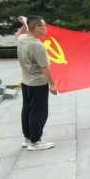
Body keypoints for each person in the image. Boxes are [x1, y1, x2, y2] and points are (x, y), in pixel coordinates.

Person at [17, 16, 57, 151]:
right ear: (36, 28)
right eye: (43, 26)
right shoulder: (37, 45)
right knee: (39, 112)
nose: (46, 28)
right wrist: (52, 84)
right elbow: (44, 67)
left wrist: (24, 23)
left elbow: (20, 33)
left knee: (27, 110)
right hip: (38, 83)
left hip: (26, 81)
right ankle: (35, 141)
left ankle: (28, 138)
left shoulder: (22, 39)